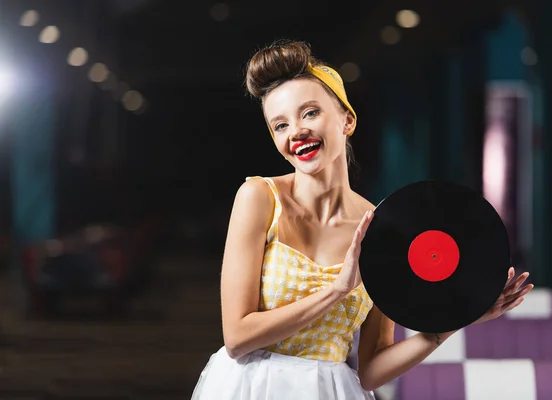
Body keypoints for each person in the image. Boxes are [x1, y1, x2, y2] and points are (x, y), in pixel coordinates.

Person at [190, 39, 533, 400]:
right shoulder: (259, 198)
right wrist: (337, 290)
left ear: (347, 120)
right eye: (279, 125)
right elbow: (238, 337)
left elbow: (370, 372)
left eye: (309, 113)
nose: (296, 132)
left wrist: (445, 328)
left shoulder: (383, 230)